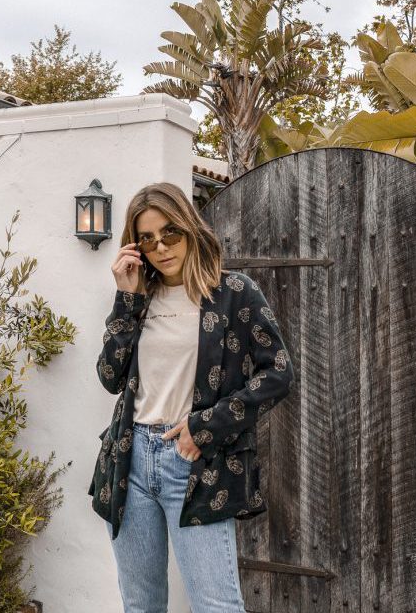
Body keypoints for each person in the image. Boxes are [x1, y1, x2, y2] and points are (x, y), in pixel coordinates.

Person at [87, 182, 295, 612]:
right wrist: (125, 297)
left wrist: (206, 427)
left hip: (195, 461)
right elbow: (109, 377)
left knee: (216, 605)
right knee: (141, 605)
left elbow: (278, 372)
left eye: (170, 234)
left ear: (189, 229)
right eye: (148, 239)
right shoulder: (139, 300)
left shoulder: (234, 292)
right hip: (131, 461)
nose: (161, 247)